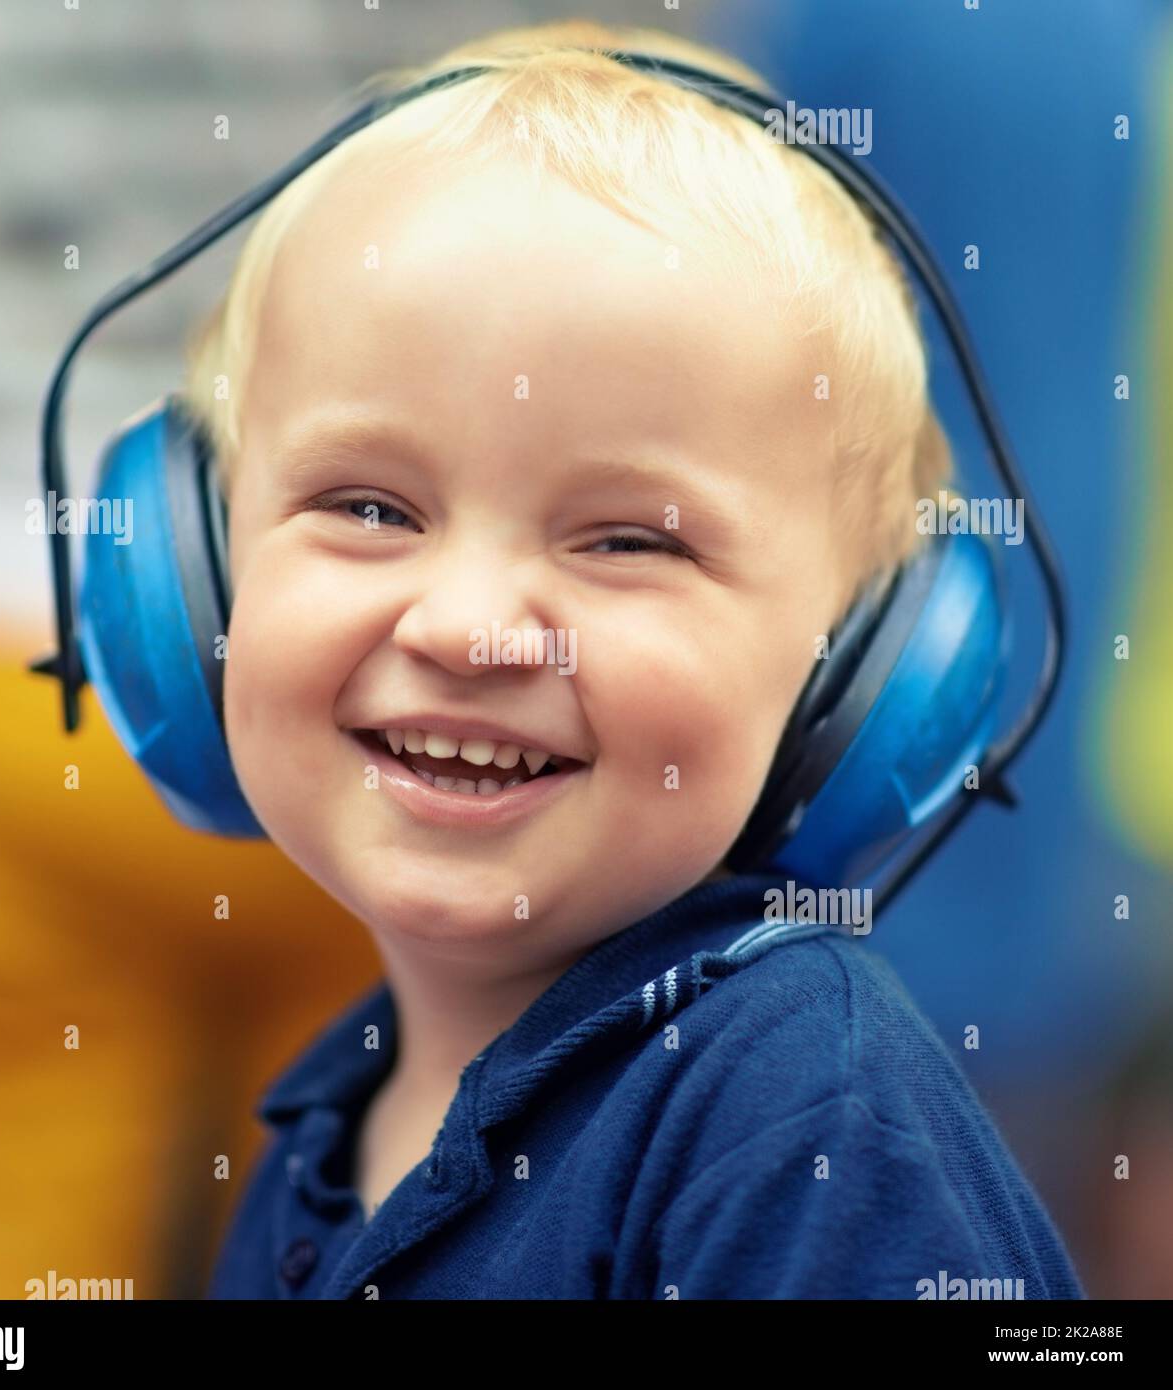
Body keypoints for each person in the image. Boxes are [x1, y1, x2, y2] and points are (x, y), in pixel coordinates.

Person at [187, 19, 1083, 1299]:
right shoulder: (329, 1124)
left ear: (864, 681)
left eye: (624, 541)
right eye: (370, 508)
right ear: (199, 578)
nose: (467, 626)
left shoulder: (801, 1106)